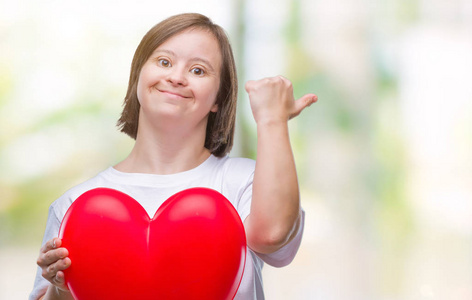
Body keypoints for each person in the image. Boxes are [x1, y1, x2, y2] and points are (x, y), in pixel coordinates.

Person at [30, 13, 317, 300]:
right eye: (164, 62)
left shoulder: (247, 182)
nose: (177, 78)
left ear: (218, 98)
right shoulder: (77, 205)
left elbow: (272, 236)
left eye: (198, 70)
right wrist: (61, 286)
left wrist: (272, 119)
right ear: (138, 76)